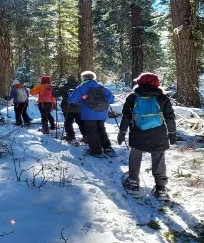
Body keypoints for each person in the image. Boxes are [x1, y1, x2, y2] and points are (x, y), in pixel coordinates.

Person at [117, 72, 176, 200]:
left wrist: (122, 132)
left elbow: (126, 116)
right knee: (159, 157)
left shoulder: (132, 97)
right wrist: (172, 133)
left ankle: (133, 182)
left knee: (135, 155)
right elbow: (170, 117)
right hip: (158, 132)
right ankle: (160, 188)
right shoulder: (163, 98)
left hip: (138, 131)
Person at [68, 71, 115, 157]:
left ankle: (96, 151)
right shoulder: (102, 87)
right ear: (93, 78)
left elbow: (72, 100)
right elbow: (111, 100)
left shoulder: (82, 87)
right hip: (102, 113)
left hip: (89, 114)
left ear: (84, 78)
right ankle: (107, 148)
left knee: (92, 131)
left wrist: (70, 93)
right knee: (101, 129)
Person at [55, 75, 86, 144]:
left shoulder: (64, 87)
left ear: (68, 80)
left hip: (67, 108)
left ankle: (71, 138)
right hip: (78, 108)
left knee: (68, 123)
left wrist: (54, 89)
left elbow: (56, 94)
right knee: (81, 123)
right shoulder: (80, 87)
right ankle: (86, 136)